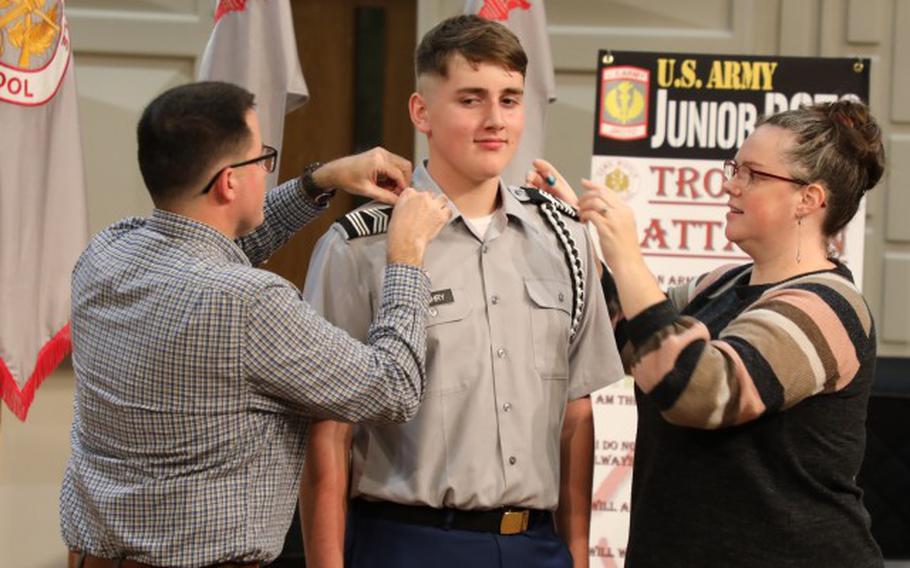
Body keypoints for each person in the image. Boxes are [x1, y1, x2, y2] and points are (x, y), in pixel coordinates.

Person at [59, 81, 450, 568]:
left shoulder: (108, 251)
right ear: (228, 182)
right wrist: (406, 258)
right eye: (262, 159)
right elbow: (393, 387)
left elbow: (211, 251)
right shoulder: (249, 303)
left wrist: (318, 180)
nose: (267, 171)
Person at [300, 15, 624, 568]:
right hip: (409, 542)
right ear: (421, 111)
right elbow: (328, 432)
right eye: (471, 100)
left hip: (537, 546)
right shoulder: (359, 250)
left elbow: (576, 415)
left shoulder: (565, 239)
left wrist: (575, 554)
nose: (496, 120)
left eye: (510, 99)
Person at [529, 100, 886, 567]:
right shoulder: (719, 285)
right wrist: (575, 234)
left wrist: (627, 258)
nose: (729, 184)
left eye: (753, 175)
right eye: (734, 168)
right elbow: (631, 338)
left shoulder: (829, 306)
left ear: (809, 199)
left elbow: (700, 392)